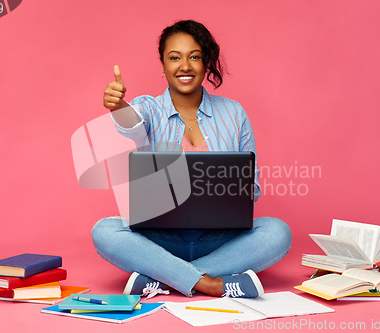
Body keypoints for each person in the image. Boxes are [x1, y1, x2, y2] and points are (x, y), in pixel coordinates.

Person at [92, 20, 291, 298]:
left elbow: (252, 190)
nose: (184, 66)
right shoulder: (149, 108)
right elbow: (132, 124)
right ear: (163, 66)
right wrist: (119, 106)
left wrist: (233, 189)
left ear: (205, 62)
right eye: (174, 58)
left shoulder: (234, 113)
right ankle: (210, 283)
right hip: (161, 238)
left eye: (194, 57)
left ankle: (164, 279)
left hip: (219, 239)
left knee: (277, 232)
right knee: (105, 230)